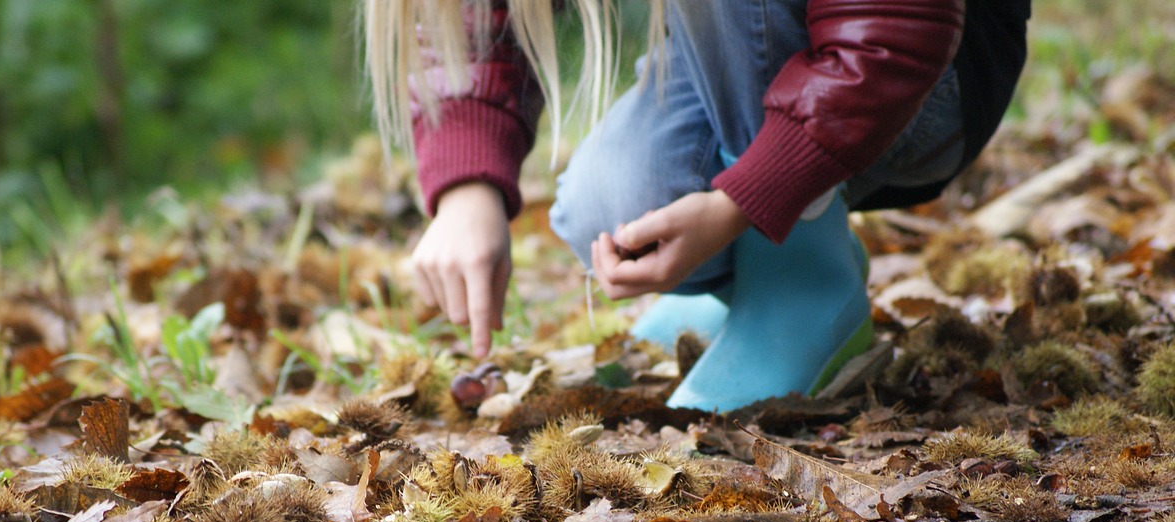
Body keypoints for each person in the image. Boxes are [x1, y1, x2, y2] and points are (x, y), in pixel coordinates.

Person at [363, 0, 1030, 412]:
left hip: (926, 70)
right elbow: (473, 17)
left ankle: (800, 279)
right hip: (783, 52)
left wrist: (747, 199)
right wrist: (466, 189)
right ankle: (752, 267)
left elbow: (893, 32)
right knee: (608, 208)